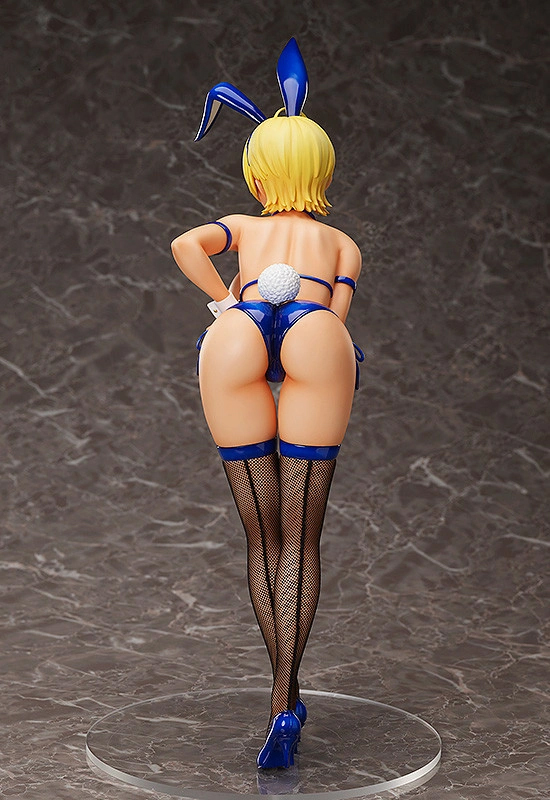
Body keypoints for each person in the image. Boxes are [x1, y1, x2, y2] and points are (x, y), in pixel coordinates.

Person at [171, 39, 362, 769]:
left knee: (262, 538)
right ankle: (285, 702)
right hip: (314, 329)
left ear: (257, 172)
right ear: (322, 171)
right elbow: (335, 322)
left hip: (239, 331)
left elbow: (186, 244)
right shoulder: (341, 244)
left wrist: (225, 302)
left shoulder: (244, 228)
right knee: (301, 540)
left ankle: (282, 699)